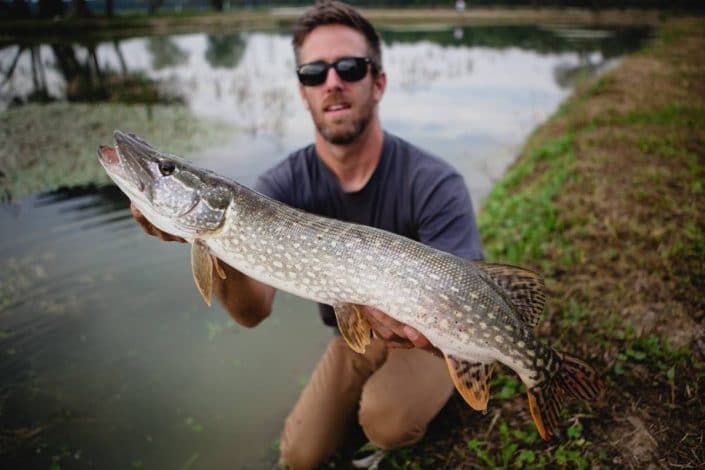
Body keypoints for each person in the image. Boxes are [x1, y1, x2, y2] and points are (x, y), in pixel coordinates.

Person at [132, 2, 483, 468]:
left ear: (378, 82)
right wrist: (215, 248)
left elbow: (467, 289)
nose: (332, 82)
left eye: (350, 68)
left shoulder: (434, 181)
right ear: (303, 91)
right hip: (353, 332)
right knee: (300, 455)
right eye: (314, 72)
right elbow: (251, 312)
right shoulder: (278, 187)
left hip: (434, 332)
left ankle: (459, 382)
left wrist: (446, 341)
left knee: (387, 421)